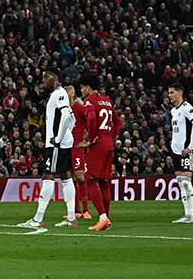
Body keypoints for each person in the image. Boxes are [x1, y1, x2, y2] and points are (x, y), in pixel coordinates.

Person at [18, 71, 77, 231]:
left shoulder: (59, 94)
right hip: (63, 142)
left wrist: (58, 137)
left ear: (55, 78)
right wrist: (66, 134)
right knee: (65, 176)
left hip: (56, 144)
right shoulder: (60, 94)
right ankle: (71, 218)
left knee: (48, 176)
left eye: (46, 78)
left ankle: (38, 218)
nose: (44, 81)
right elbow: (72, 119)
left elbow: (66, 115)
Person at [80, 74, 121, 231]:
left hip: (98, 145)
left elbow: (91, 119)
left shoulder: (89, 101)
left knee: (90, 180)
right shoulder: (107, 101)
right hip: (108, 143)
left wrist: (91, 139)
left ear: (88, 87)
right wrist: (110, 136)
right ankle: (106, 219)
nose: (82, 90)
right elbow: (118, 122)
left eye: (82, 87)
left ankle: (103, 218)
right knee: (104, 182)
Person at [168, 82, 193, 224]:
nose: (169, 95)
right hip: (176, 151)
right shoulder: (173, 111)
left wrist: (190, 147)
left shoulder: (186, 108)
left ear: (180, 92)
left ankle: (190, 216)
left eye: (172, 92)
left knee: (186, 183)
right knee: (181, 183)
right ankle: (186, 215)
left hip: (185, 151)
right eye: (169, 92)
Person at [68, 84, 95, 221]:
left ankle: (86, 210)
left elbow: (90, 122)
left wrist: (88, 141)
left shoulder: (79, 107)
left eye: (69, 92)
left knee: (80, 176)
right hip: (65, 147)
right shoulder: (63, 109)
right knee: (69, 178)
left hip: (77, 146)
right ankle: (75, 210)